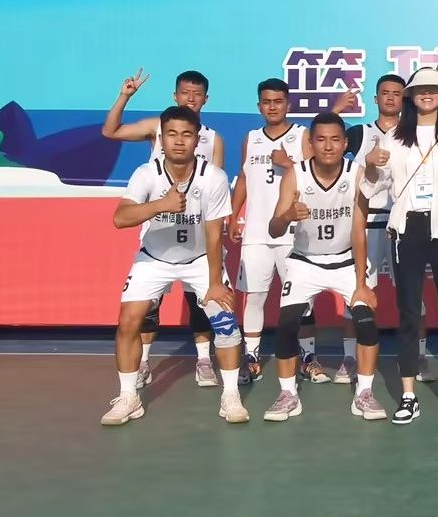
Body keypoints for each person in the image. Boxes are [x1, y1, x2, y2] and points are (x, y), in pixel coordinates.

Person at [102, 106, 244, 426]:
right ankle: (128, 398)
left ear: (197, 139)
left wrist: (214, 284)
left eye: (186, 135)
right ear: (161, 139)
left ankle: (231, 395)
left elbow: (214, 234)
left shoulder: (214, 177)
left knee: (225, 322)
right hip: (154, 258)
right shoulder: (146, 173)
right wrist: (161, 205)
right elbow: (120, 218)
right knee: (129, 321)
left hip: (200, 259)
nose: (179, 141)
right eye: (172, 134)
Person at [366, 66, 438, 424]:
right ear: (411, 97)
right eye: (420, 89)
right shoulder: (393, 137)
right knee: (408, 314)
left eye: (434, 89)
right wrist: (369, 165)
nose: (427, 94)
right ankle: (408, 395)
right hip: (407, 226)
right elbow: (374, 186)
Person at [102, 68, 224, 389]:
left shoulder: (213, 139)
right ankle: (142, 362)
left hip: (195, 236)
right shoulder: (156, 128)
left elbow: (216, 192)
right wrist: (125, 96)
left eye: (197, 94)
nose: (190, 98)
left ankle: (203, 360)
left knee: (199, 301)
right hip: (158, 230)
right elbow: (111, 132)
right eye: (185, 93)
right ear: (175, 95)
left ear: (205, 99)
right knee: (147, 305)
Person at [261, 113, 384, 422]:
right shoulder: (296, 175)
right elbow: (274, 229)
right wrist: (288, 215)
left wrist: (361, 284)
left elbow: (359, 231)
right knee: (287, 323)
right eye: (321, 139)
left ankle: (364, 393)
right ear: (311, 143)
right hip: (305, 261)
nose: (328, 146)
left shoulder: (355, 173)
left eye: (335, 140)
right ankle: (288, 394)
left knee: (366, 321)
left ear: (345, 143)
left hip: (345, 260)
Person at [229, 79, 323, 385]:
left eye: (278, 101)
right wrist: (233, 215)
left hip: (293, 233)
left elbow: (316, 174)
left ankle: (307, 358)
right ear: (259, 106)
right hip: (257, 232)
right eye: (267, 101)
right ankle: (251, 357)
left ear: (288, 104)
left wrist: (289, 163)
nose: (272, 106)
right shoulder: (252, 138)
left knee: (302, 301)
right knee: (254, 297)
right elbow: (243, 179)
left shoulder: (301, 135)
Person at [337, 72, 406, 384]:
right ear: (376, 99)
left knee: (411, 293)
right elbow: (315, 151)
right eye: (385, 93)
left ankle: (416, 357)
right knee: (360, 291)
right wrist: (336, 110)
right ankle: (350, 358)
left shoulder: (413, 135)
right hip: (366, 221)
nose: (391, 98)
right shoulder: (358, 133)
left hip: (402, 222)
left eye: (397, 93)